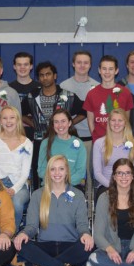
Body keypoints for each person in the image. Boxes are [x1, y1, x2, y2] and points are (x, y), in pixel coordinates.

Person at [14, 155, 93, 266]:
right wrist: (24, 233)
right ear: (48, 172)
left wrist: (86, 234)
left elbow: (82, 224)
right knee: (21, 244)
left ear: (66, 171)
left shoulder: (78, 195)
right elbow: (31, 226)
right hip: (44, 247)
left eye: (61, 169)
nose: (57, 173)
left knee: (88, 246)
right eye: (53, 169)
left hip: (70, 246)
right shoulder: (37, 195)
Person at [22, 61, 85, 189]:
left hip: (63, 140)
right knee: (39, 173)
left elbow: (83, 112)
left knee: (63, 168)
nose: (45, 77)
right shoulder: (32, 96)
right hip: (41, 141)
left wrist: (69, 124)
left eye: (48, 74)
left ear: (55, 76)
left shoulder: (68, 95)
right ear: (38, 78)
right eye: (41, 75)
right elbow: (20, 114)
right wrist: (34, 124)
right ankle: (42, 199)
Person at [60, 50, 100, 199]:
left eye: (86, 63)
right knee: (71, 174)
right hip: (70, 139)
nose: (82, 66)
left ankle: (89, 208)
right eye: (79, 62)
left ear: (90, 65)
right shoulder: (64, 86)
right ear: (73, 64)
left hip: (90, 139)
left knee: (91, 175)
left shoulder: (97, 86)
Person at [0, 105, 33, 230]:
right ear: (0, 121)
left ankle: (12, 235)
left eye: (12, 118)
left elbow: (25, 173)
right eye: (5, 118)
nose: (9, 121)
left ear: (18, 120)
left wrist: (13, 189)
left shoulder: (27, 143)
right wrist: (1, 187)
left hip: (19, 186)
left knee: (17, 203)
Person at [92, 108, 134, 204]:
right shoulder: (99, 143)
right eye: (113, 120)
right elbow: (97, 173)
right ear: (109, 123)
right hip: (106, 186)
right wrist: (113, 186)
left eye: (120, 120)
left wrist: (124, 186)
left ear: (125, 123)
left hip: (128, 185)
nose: (116, 123)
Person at [83, 55, 134, 143]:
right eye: (104, 69)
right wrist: (96, 139)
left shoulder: (125, 93)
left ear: (116, 71)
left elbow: (126, 120)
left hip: (120, 141)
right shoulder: (91, 94)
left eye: (110, 69)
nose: (107, 72)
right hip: (99, 142)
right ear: (99, 70)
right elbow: (90, 121)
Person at [37, 109, 87, 190]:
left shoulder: (79, 144)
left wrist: (63, 184)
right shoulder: (45, 143)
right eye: (56, 122)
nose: (60, 125)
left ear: (69, 123)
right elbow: (41, 170)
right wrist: (55, 184)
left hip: (72, 186)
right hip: (50, 186)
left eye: (63, 121)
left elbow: (80, 172)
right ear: (53, 125)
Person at [9, 52, 41, 141]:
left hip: (36, 134)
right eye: (19, 65)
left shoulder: (40, 87)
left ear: (31, 66)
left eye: (26, 64)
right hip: (14, 134)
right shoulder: (8, 88)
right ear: (14, 67)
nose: (22, 67)